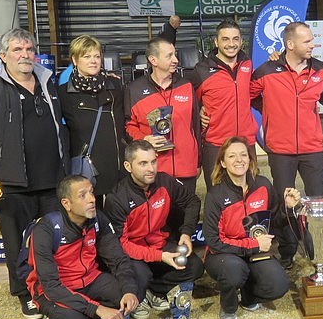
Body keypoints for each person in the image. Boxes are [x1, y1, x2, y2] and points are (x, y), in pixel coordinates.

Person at [0, 28, 69, 319]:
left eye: (29, 49)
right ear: (3, 55)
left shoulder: (48, 82)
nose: (25, 55)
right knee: (17, 243)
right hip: (9, 182)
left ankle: (51, 288)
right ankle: (25, 293)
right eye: (17, 50)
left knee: (53, 240)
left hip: (51, 182)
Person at [250, 21, 323, 268]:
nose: (312, 45)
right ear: (290, 44)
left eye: (311, 40)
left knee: (318, 202)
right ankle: (287, 251)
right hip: (280, 150)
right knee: (284, 203)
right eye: (307, 41)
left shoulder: (321, 70)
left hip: (312, 149)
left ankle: (319, 250)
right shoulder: (266, 70)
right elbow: (251, 96)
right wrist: (271, 112)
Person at [26, 175, 138, 319]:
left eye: (92, 193)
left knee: (128, 294)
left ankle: (86, 315)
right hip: (56, 288)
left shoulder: (97, 220)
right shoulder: (46, 230)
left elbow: (118, 259)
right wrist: (97, 309)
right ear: (66, 204)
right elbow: (50, 286)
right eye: (82, 195)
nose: (92, 199)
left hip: (90, 279)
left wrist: (130, 291)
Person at [202, 136, 300, 319]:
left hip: (255, 252)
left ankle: (248, 297)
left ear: (250, 159)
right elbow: (214, 241)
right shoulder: (215, 195)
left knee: (278, 285)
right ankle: (228, 306)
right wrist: (253, 245)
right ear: (223, 162)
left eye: (243, 155)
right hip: (223, 254)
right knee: (234, 269)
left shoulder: (262, 185)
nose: (239, 160)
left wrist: (288, 207)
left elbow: (275, 223)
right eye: (232, 156)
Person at [104, 140, 204, 319]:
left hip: (160, 244)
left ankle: (152, 290)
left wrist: (186, 233)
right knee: (140, 275)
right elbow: (121, 245)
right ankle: (142, 290)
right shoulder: (116, 198)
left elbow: (192, 201)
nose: (150, 168)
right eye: (143, 163)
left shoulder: (165, 181)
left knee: (195, 267)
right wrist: (160, 257)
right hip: (134, 254)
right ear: (128, 166)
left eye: (153, 161)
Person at [125, 37, 201, 193]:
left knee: (187, 216)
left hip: (186, 168)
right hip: (154, 172)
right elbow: (128, 126)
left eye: (175, 55)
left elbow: (196, 126)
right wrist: (143, 139)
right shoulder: (134, 90)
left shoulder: (186, 86)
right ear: (153, 60)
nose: (176, 60)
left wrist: (197, 162)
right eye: (169, 56)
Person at [58, 35, 126, 209]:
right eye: (86, 56)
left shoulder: (115, 87)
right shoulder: (63, 93)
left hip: (116, 170)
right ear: (75, 59)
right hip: (87, 172)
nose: (93, 61)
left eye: (96, 56)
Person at [191, 18, 258, 189]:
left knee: (249, 193)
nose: (231, 44)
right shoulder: (202, 70)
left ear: (241, 41)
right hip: (216, 143)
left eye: (235, 39)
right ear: (216, 41)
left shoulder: (247, 64)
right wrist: (198, 110)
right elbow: (187, 99)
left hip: (245, 142)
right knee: (217, 194)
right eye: (225, 39)